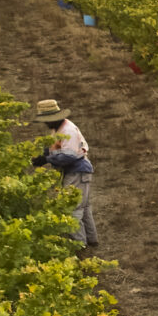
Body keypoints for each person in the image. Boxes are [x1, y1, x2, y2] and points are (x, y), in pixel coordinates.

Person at [28, 98, 97, 248]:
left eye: (47, 120)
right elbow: (56, 147)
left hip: (77, 171)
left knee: (73, 209)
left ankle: (80, 245)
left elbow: (69, 155)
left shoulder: (68, 130)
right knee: (83, 207)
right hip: (77, 171)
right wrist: (42, 154)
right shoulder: (58, 128)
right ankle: (91, 240)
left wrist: (46, 159)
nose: (46, 123)